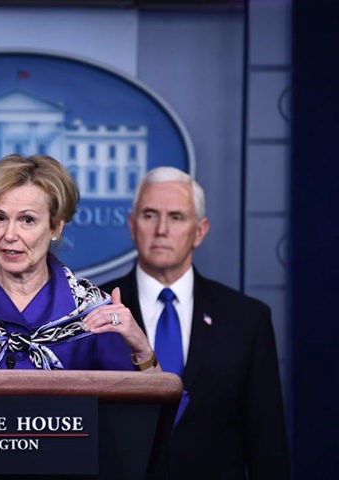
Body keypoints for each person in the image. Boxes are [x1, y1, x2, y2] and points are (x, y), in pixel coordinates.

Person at [101, 166, 290, 479]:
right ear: (133, 226)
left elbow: (267, 446)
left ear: (200, 230)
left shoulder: (247, 319)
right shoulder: (96, 308)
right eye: (149, 215)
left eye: (176, 217)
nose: (162, 229)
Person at [0, 154, 159, 372]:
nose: (10, 234)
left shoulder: (93, 312)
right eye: (0, 218)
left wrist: (141, 350)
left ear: (56, 226)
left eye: (27, 220)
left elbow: (144, 414)